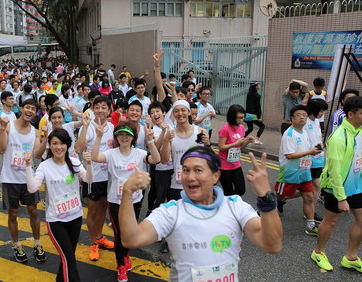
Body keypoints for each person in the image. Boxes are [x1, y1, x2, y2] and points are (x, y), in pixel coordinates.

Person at [119, 147, 282, 282]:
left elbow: (272, 245)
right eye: (185, 170)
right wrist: (127, 192)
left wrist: (266, 197)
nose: (190, 177)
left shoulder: (235, 206)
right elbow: (131, 239)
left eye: (198, 170)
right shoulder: (171, 212)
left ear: (215, 176)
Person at [91, 123, 160, 282]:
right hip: (115, 201)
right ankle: (121, 265)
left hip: (135, 200)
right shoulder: (111, 154)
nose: (124, 137)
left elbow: (156, 159)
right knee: (119, 233)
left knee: (130, 232)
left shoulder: (140, 153)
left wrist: (150, 141)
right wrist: (99, 137)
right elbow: (95, 157)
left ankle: (125, 256)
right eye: (120, 134)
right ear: (116, 137)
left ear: (133, 138)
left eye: (127, 135)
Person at [26, 129, 93, 282]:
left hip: (75, 217)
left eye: (62, 143)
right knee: (69, 259)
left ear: (67, 145)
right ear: (49, 145)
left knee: (67, 257)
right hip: (56, 220)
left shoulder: (74, 162)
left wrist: (89, 164)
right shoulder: (44, 166)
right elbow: (32, 188)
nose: (59, 147)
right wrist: (28, 166)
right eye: (55, 143)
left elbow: (89, 180)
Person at [311, 96, 362, 272]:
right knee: (331, 221)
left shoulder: (359, 131)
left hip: (356, 186)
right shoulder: (339, 138)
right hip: (335, 186)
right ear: (351, 114)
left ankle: (351, 257)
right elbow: (334, 171)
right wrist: (341, 198)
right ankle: (318, 252)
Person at [0, 99, 47, 263]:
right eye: (27, 107)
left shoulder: (34, 132)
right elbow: (1, 149)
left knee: (33, 211)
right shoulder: (8, 125)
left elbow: (38, 155)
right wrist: (3, 129)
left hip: (28, 179)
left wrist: (45, 137)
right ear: (21, 108)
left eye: (33, 108)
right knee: (13, 213)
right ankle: (17, 244)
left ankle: (37, 243)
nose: (30, 110)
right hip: (10, 179)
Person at [74, 96, 116, 261]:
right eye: (96, 107)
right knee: (93, 210)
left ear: (109, 109)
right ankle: (93, 242)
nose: (100, 110)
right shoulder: (88, 127)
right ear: (92, 108)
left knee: (103, 208)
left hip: (109, 177)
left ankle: (99, 236)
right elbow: (78, 148)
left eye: (103, 107)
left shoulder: (112, 127)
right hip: (92, 176)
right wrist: (84, 128)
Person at [275, 105, 323, 235]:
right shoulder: (289, 134)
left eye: (304, 115)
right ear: (292, 118)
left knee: (308, 197)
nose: (302, 117)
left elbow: (305, 150)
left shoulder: (304, 132)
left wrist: (314, 150)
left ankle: (311, 225)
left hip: (305, 172)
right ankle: (263, 209)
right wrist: (309, 151)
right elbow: (289, 155)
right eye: (298, 115)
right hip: (290, 172)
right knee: (280, 195)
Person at [217, 104, 254, 196]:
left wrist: (247, 142)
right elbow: (221, 147)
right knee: (228, 191)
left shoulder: (241, 128)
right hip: (224, 165)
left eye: (243, 117)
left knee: (241, 190)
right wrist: (235, 143)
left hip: (236, 163)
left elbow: (240, 148)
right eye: (239, 118)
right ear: (232, 117)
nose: (241, 120)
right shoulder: (225, 129)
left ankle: (229, 201)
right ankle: (227, 204)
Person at [304, 98, 328, 212]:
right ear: (314, 109)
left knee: (315, 186)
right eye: (321, 111)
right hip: (308, 158)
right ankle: (280, 199)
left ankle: (310, 213)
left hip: (319, 158)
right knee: (303, 187)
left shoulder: (317, 121)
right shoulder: (304, 121)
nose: (323, 114)